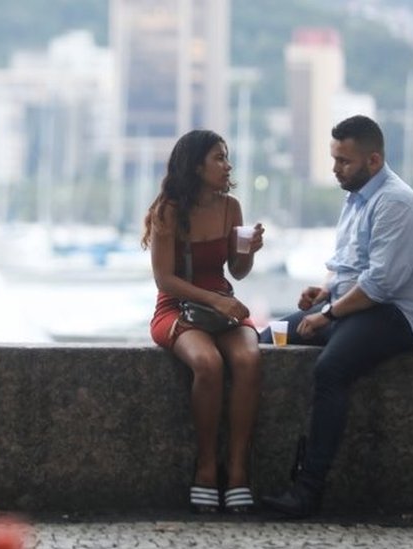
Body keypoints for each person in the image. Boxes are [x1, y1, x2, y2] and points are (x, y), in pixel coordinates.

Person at [261, 115, 413, 518]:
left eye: (344, 161)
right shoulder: (356, 197)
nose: (335, 168)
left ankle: (308, 491)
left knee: (331, 370)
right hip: (355, 306)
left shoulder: (397, 203)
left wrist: (326, 313)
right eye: (334, 158)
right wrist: (324, 291)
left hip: (399, 315)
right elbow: (346, 265)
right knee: (264, 340)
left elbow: (381, 283)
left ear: (373, 160)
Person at [141, 129, 265, 514]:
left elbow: (238, 271)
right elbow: (165, 279)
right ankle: (207, 467)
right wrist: (215, 299)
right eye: (219, 158)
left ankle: (239, 470)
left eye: (227, 158)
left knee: (249, 360)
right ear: (196, 165)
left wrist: (250, 251)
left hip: (222, 306)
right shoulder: (169, 211)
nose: (227, 166)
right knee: (208, 364)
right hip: (178, 306)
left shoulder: (231, 207)